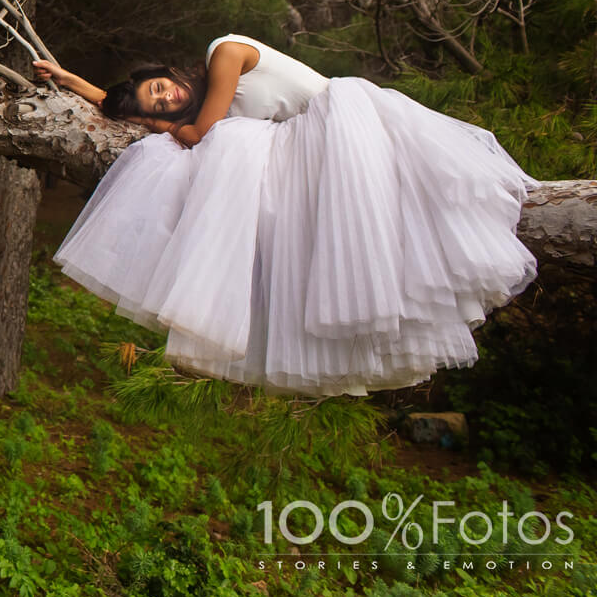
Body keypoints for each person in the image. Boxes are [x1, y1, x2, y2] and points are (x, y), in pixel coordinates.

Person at [33, 33, 537, 397]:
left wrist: (177, 131)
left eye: (160, 87)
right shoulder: (213, 105)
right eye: (159, 105)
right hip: (313, 147)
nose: (167, 97)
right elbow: (123, 106)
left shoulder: (224, 52)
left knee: (223, 152)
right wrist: (73, 81)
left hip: (341, 123)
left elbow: (203, 133)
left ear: (166, 71)